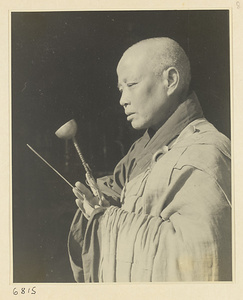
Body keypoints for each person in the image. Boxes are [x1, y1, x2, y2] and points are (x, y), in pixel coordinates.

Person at [68, 37, 231, 282]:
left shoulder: (206, 152)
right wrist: (100, 200)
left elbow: (199, 261)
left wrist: (105, 219)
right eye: (120, 89)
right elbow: (120, 189)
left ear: (171, 80)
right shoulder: (142, 149)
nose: (122, 100)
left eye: (131, 84)